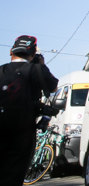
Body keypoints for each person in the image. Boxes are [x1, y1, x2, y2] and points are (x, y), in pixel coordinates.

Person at [0, 35, 58, 186]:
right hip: (23, 129)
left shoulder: (1, 70)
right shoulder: (37, 69)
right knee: (15, 171)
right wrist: (41, 65)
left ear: (11, 52)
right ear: (32, 54)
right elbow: (53, 88)